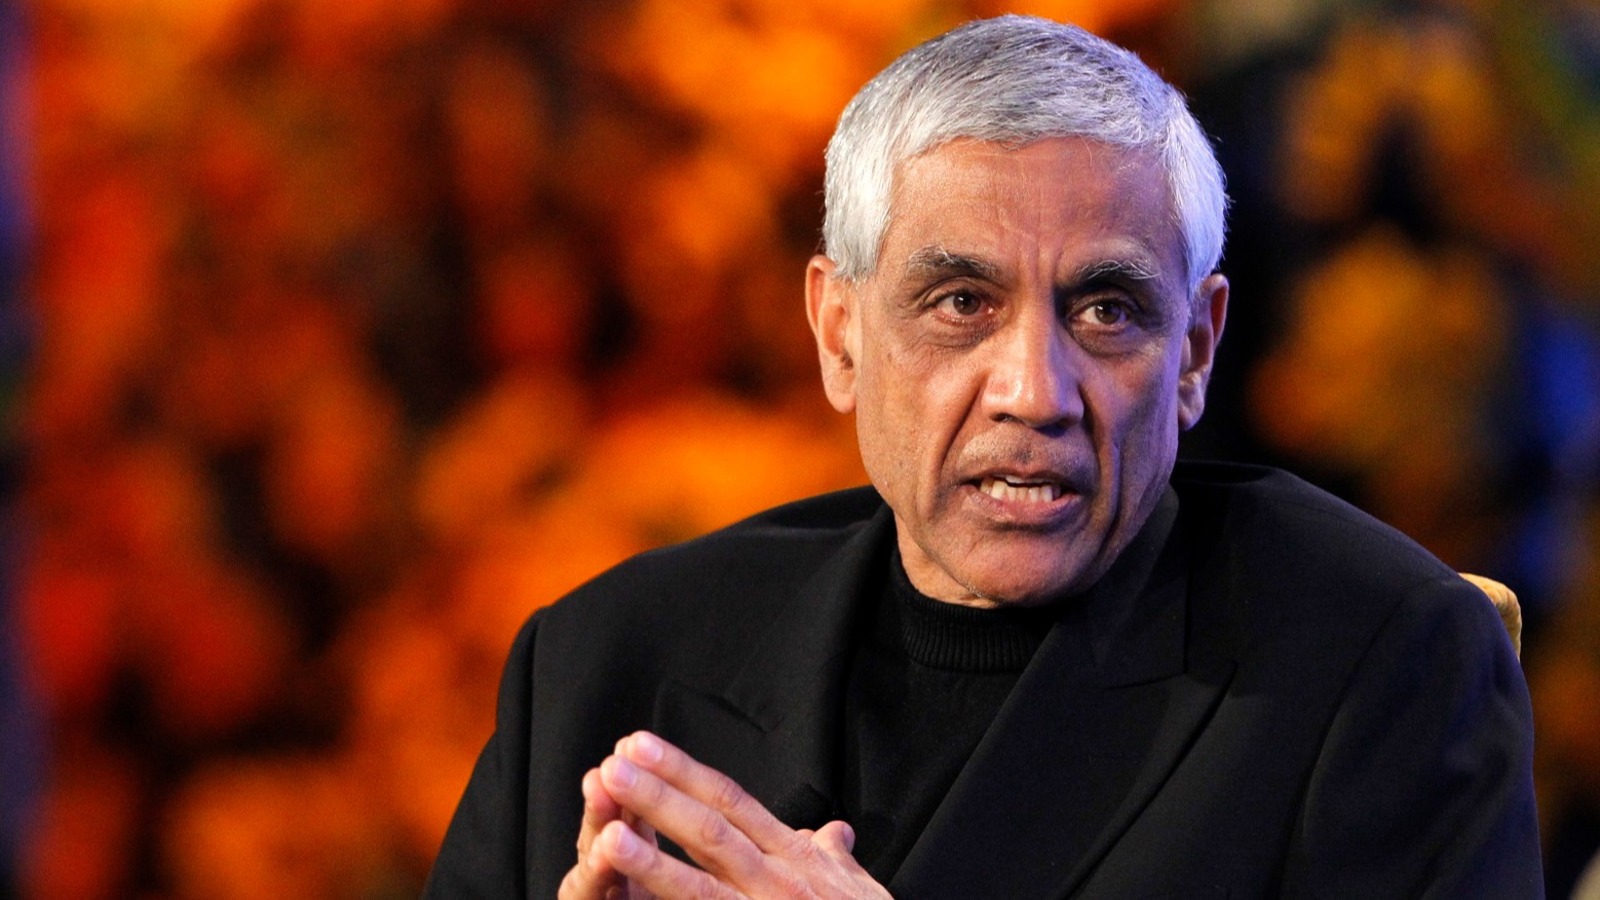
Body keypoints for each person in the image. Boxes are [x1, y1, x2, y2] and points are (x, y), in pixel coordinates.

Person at [424, 15, 1540, 898]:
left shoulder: (1376, 664)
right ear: (839, 336)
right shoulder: (602, 665)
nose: (1034, 393)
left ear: (1196, 351)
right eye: (961, 303)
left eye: (1105, 311)